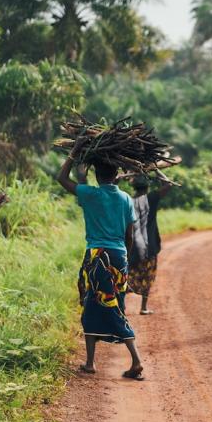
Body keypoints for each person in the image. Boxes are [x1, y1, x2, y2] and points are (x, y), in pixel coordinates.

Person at [57, 145, 147, 379]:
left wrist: (74, 153)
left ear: (97, 175)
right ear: (117, 174)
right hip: (119, 257)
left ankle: (133, 361)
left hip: (97, 256)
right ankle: (90, 362)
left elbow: (61, 178)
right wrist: (123, 257)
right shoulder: (126, 198)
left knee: (96, 306)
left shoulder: (90, 194)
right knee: (111, 304)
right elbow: (129, 235)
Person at [128, 174, 173, 315]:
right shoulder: (151, 198)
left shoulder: (128, 200)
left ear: (133, 186)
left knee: (128, 274)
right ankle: (143, 307)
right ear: (147, 186)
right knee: (148, 274)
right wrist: (157, 171)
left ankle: (121, 307)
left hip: (131, 245)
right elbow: (168, 184)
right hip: (149, 245)